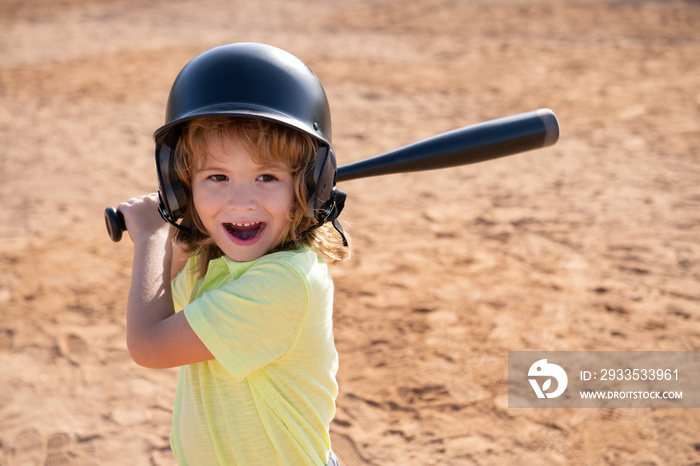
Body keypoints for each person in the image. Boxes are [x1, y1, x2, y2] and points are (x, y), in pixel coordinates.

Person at [116, 43, 350, 465]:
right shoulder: (221, 261)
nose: (241, 203)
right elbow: (167, 290)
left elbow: (149, 344)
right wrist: (182, 216)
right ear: (183, 184)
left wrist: (153, 234)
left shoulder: (284, 284)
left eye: (266, 176)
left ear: (310, 186)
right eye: (217, 177)